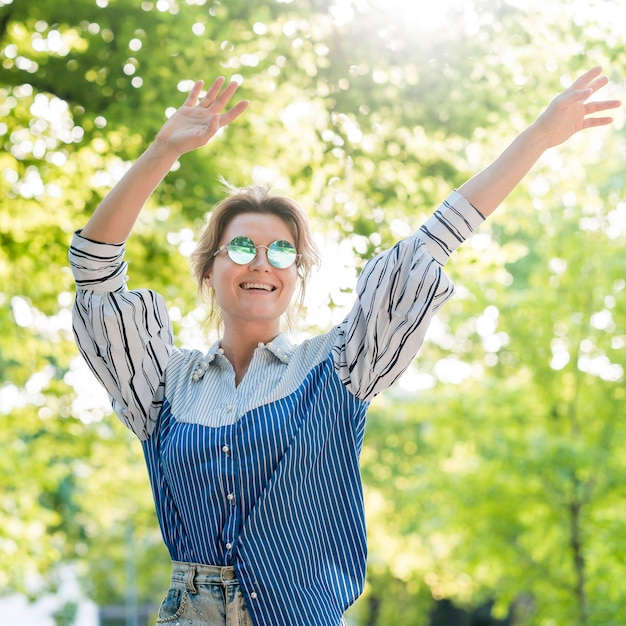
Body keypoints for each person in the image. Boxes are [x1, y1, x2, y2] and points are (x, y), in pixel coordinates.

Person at [69, 67, 620, 626]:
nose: (262, 262)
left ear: (297, 274)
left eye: (282, 253)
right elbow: (94, 272)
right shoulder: (165, 385)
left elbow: (430, 245)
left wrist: (539, 138)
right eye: (241, 247)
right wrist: (163, 151)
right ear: (208, 269)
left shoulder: (336, 367)